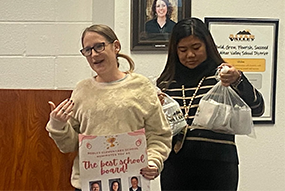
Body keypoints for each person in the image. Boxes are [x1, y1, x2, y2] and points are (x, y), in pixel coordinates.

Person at [46, 24, 172, 191]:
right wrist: (58, 125)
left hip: (131, 183)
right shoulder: (82, 90)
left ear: (116, 46)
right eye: (87, 50)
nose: (94, 54)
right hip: (90, 185)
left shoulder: (141, 86)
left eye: (99, 46)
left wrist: (153, 161)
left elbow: (159, 134)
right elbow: (71, 145)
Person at [156, 17, 265, 191]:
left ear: (208, 45)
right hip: (176, 166)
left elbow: (258, 108)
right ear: (174, 51)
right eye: (182, 49)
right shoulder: (165, 84)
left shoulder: (224, 76)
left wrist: (238, 80)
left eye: (196, 47)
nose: (190, 55)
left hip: (219, 166)